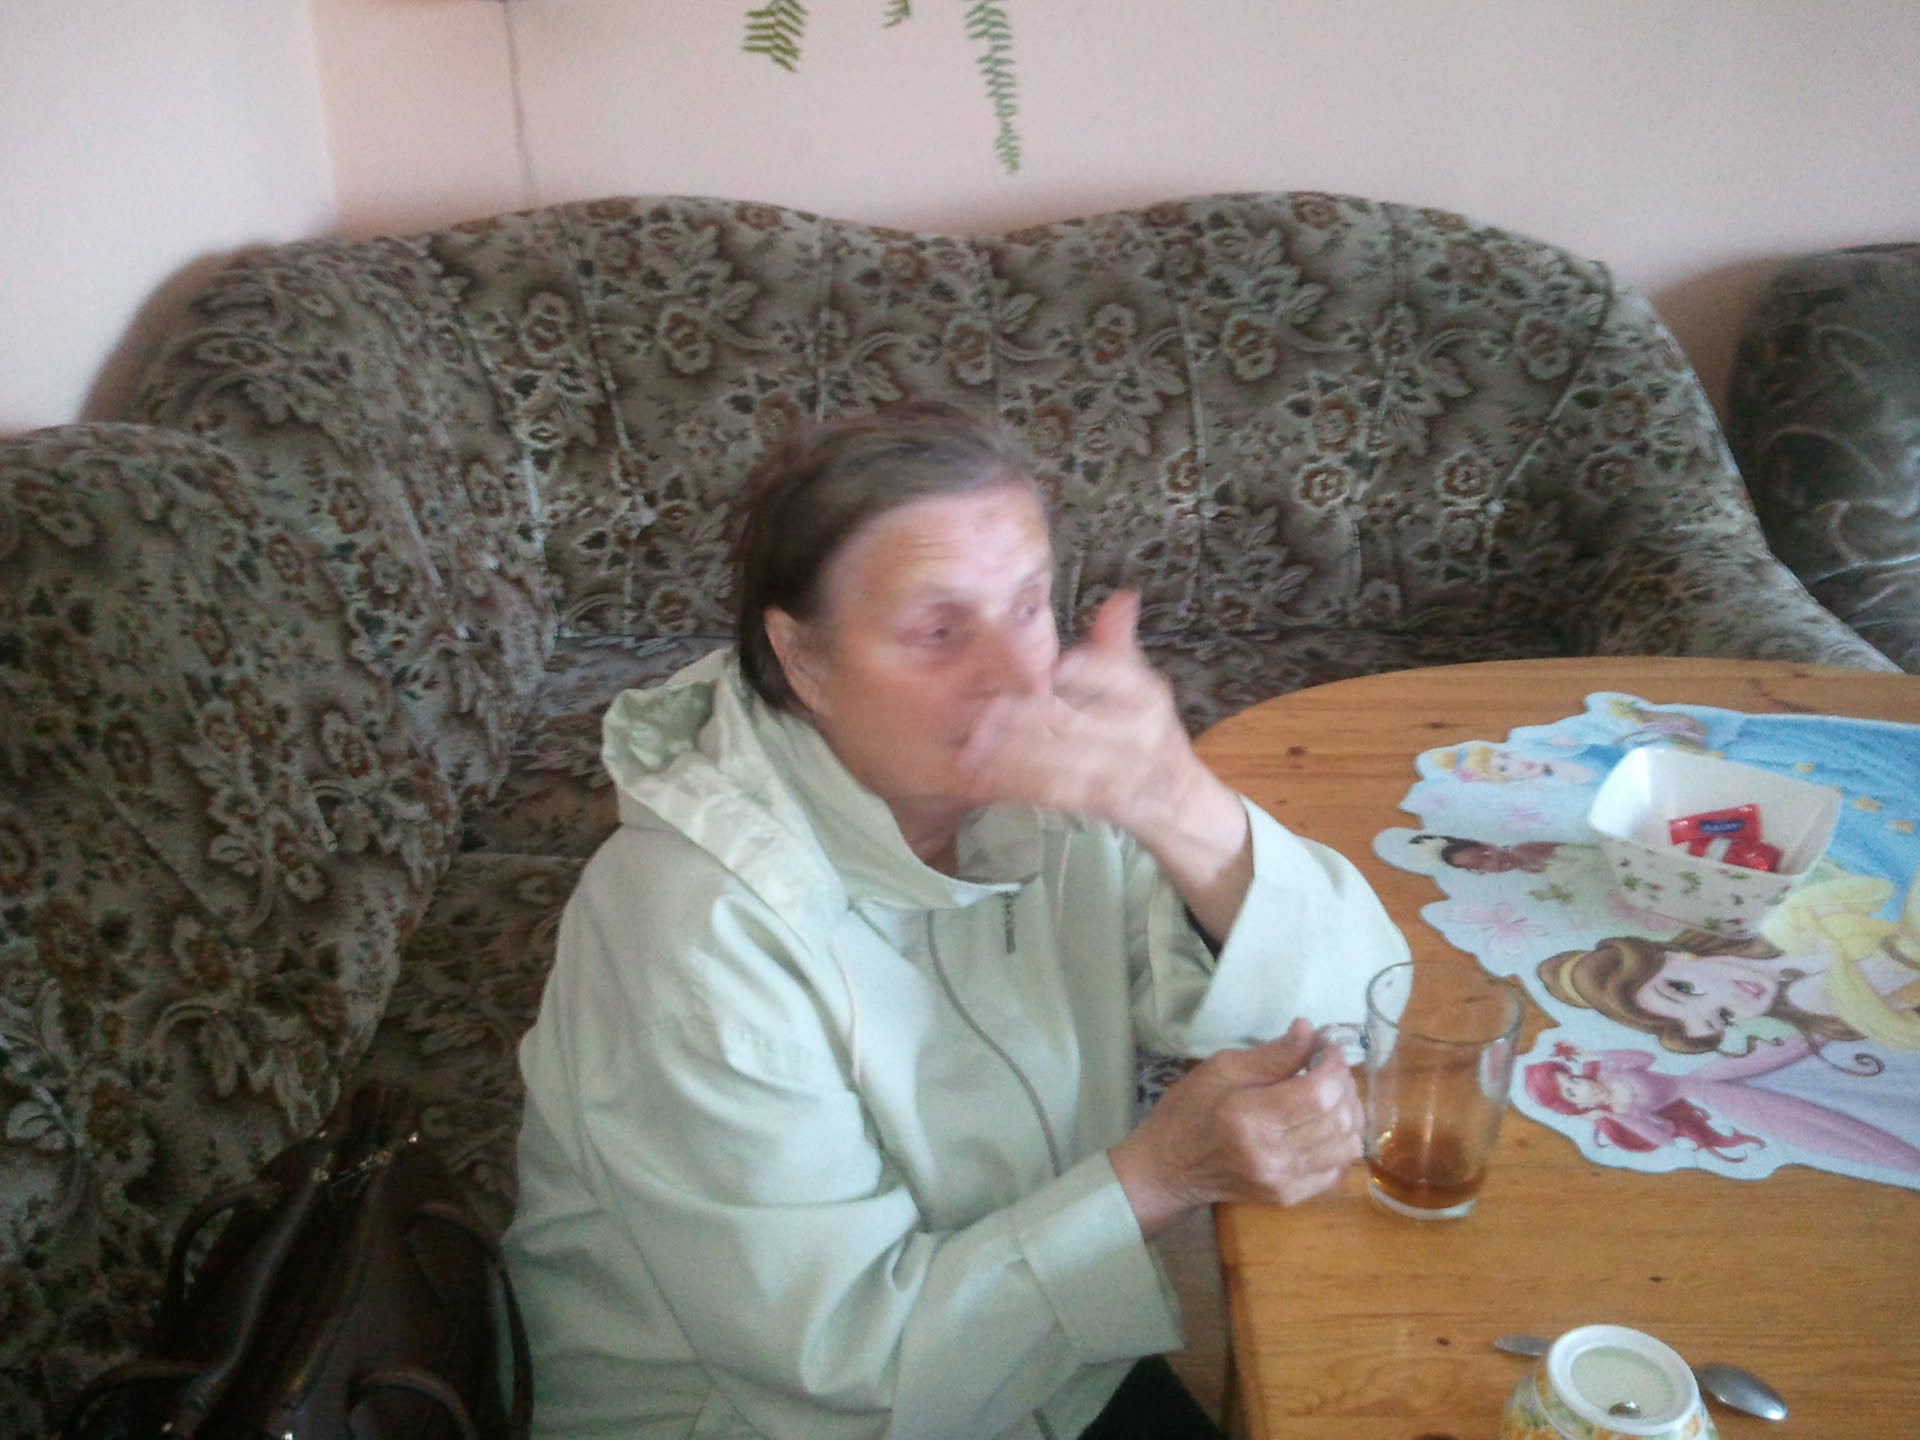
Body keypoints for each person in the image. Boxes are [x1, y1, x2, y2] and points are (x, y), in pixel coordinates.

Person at [503, 401, 1411, 1440]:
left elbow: (1363, 1018)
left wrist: (1176, 802)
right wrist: (1162, 1176)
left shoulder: (1043, 791)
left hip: (1029, 1352)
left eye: (1028, 606)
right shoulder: (699, 940)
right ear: (802, 659)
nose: (1017, 677)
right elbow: (846, 1370)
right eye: (938, 632)